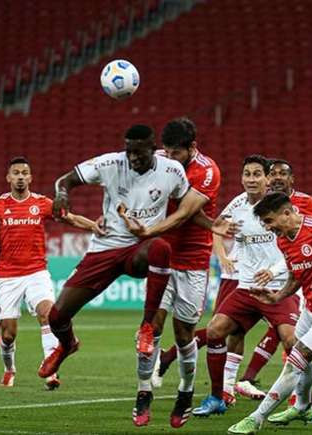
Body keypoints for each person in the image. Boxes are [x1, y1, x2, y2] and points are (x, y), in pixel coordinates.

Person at [36, 125, 231, 418]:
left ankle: (148, 328)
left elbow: (187, 210)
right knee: (57, 316)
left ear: (153, 150)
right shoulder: (111, 162)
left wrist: (211, 224)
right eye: (129, 152)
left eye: (138, 153)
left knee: (160, 251)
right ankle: (67, 346)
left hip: (144, 249)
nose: (133, 158)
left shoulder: (172, 170)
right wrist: (61, 194)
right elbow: (66, 180)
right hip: (106, 247)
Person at [228, 192, 312, 434]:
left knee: (296, 360)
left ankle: (256, 418)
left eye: (270, 221)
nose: (268, 228)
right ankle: (303, 407)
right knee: (299, 353)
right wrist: (278, 296)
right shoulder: (283, 239)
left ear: (287, 213)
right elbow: (296, 275)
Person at [0, 157, 100, 389]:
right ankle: (9, 369)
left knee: (48, 315)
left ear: (31, 177)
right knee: (8, 335)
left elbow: (70, 218)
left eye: (25, 173)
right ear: (9, 178)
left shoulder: (42, 203)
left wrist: (95, 226)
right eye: (16, 173)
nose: (21, 176)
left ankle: (51, 371)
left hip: (37, 273)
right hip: (7, 276)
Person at [120, 118, 221, 428]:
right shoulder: (160, 160)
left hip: (193, 260)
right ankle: (143, 391)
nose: (169, 157)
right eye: (166, 150)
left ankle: (186, 392)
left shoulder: (206, 171)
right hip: (162, 257)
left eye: (176, 152)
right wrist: (126, 213)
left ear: (192, 148)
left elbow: (183, 215)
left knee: (184, 334)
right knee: (150, 326)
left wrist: (147, 229)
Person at [192, 155, 299, 417]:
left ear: (267, 178)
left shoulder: (280, 207)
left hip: (278, 286)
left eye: (256, 174)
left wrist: (273, 271)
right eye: (247, 174)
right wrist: (223, 255)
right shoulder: (237, 206)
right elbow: (216, 227)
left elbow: (296, 247)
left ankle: (304, 404)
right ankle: (217, 397)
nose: (251, 179)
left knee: (291, 341)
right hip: (247, 287)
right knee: (216, 330)